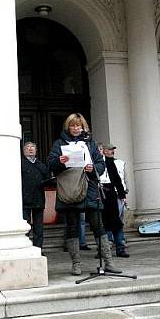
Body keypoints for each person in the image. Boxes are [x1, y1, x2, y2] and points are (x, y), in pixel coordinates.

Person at [48, 113, 121, 276]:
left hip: (90, 189)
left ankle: (108, 262)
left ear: (83, 127)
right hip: (71, 189)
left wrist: (93, 168)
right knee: (72, 227)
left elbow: (101, 165)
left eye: (78, 126)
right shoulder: (59, 143)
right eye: (72, 125)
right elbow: (50, 164)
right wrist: (59, 161)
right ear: (68, 127)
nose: (75, 128)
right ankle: (76, 264)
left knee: (98, 226)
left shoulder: (91, 143)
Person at [100, 143, 129, 257]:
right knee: (102, 223)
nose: (112, 151)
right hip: (99, 193)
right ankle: (103, 249)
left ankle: (120, 248)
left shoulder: (111, 162)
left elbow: (117, 179)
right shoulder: (94, 163)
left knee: (116, 221)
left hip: (111, 192)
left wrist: (122, 194)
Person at [21, 142, 50, 248]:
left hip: (39, 199)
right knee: (26, 226)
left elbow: (47, 177)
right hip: (25, 199)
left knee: (39, 227)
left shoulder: (40, 164)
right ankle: (25, 248)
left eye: (32, 147)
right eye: (27, 147)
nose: (30, 149)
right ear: (24, 151)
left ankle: (38, 248)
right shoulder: (20, 164)